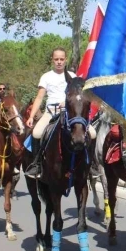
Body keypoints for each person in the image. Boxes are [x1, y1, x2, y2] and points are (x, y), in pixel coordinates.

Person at [25, 48, 77, 178]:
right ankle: (36, 165)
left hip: (70, 113)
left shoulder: (73, 76)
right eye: (56, 59)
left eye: (61, 59)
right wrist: (31, 116)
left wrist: (67, 102)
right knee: (36, 133)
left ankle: (91, 165)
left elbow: (78, 95)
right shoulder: (46, 77)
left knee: (91, 133)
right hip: (51, 112)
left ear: (66, 60)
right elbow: (39, 97)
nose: (59, 62)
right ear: (52, 60)